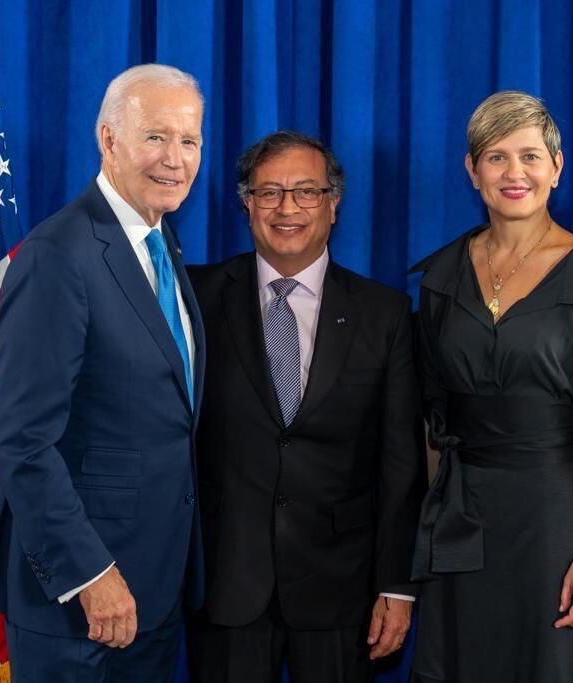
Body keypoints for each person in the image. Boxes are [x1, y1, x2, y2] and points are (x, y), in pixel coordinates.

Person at [409, 91, 573, 683]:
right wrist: (429, 522)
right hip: (460, 517)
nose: (514, 173)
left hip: (556, 518)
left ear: (557, 167)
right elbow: (429, 414)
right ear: (472, 171)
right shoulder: (441, 276)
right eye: (496, 157)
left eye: (530, 156)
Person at [0, 64, 207, 681]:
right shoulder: (60, 255)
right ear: (109, 140)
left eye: (189, 141)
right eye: (156, 137)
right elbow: (23, 440)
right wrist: (91, 574)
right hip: (85, 603)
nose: (175, 159)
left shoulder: (161, 244)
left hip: (154, 591)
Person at [186, 131, 427, 683]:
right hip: (226, 584)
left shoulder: (384, 314)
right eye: (269, 192)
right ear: (247, 204)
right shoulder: (195, 298)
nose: (287, 208)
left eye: (306, 192)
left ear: (334, 204)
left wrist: (395, 584)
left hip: (343, 591)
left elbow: (400, 462)